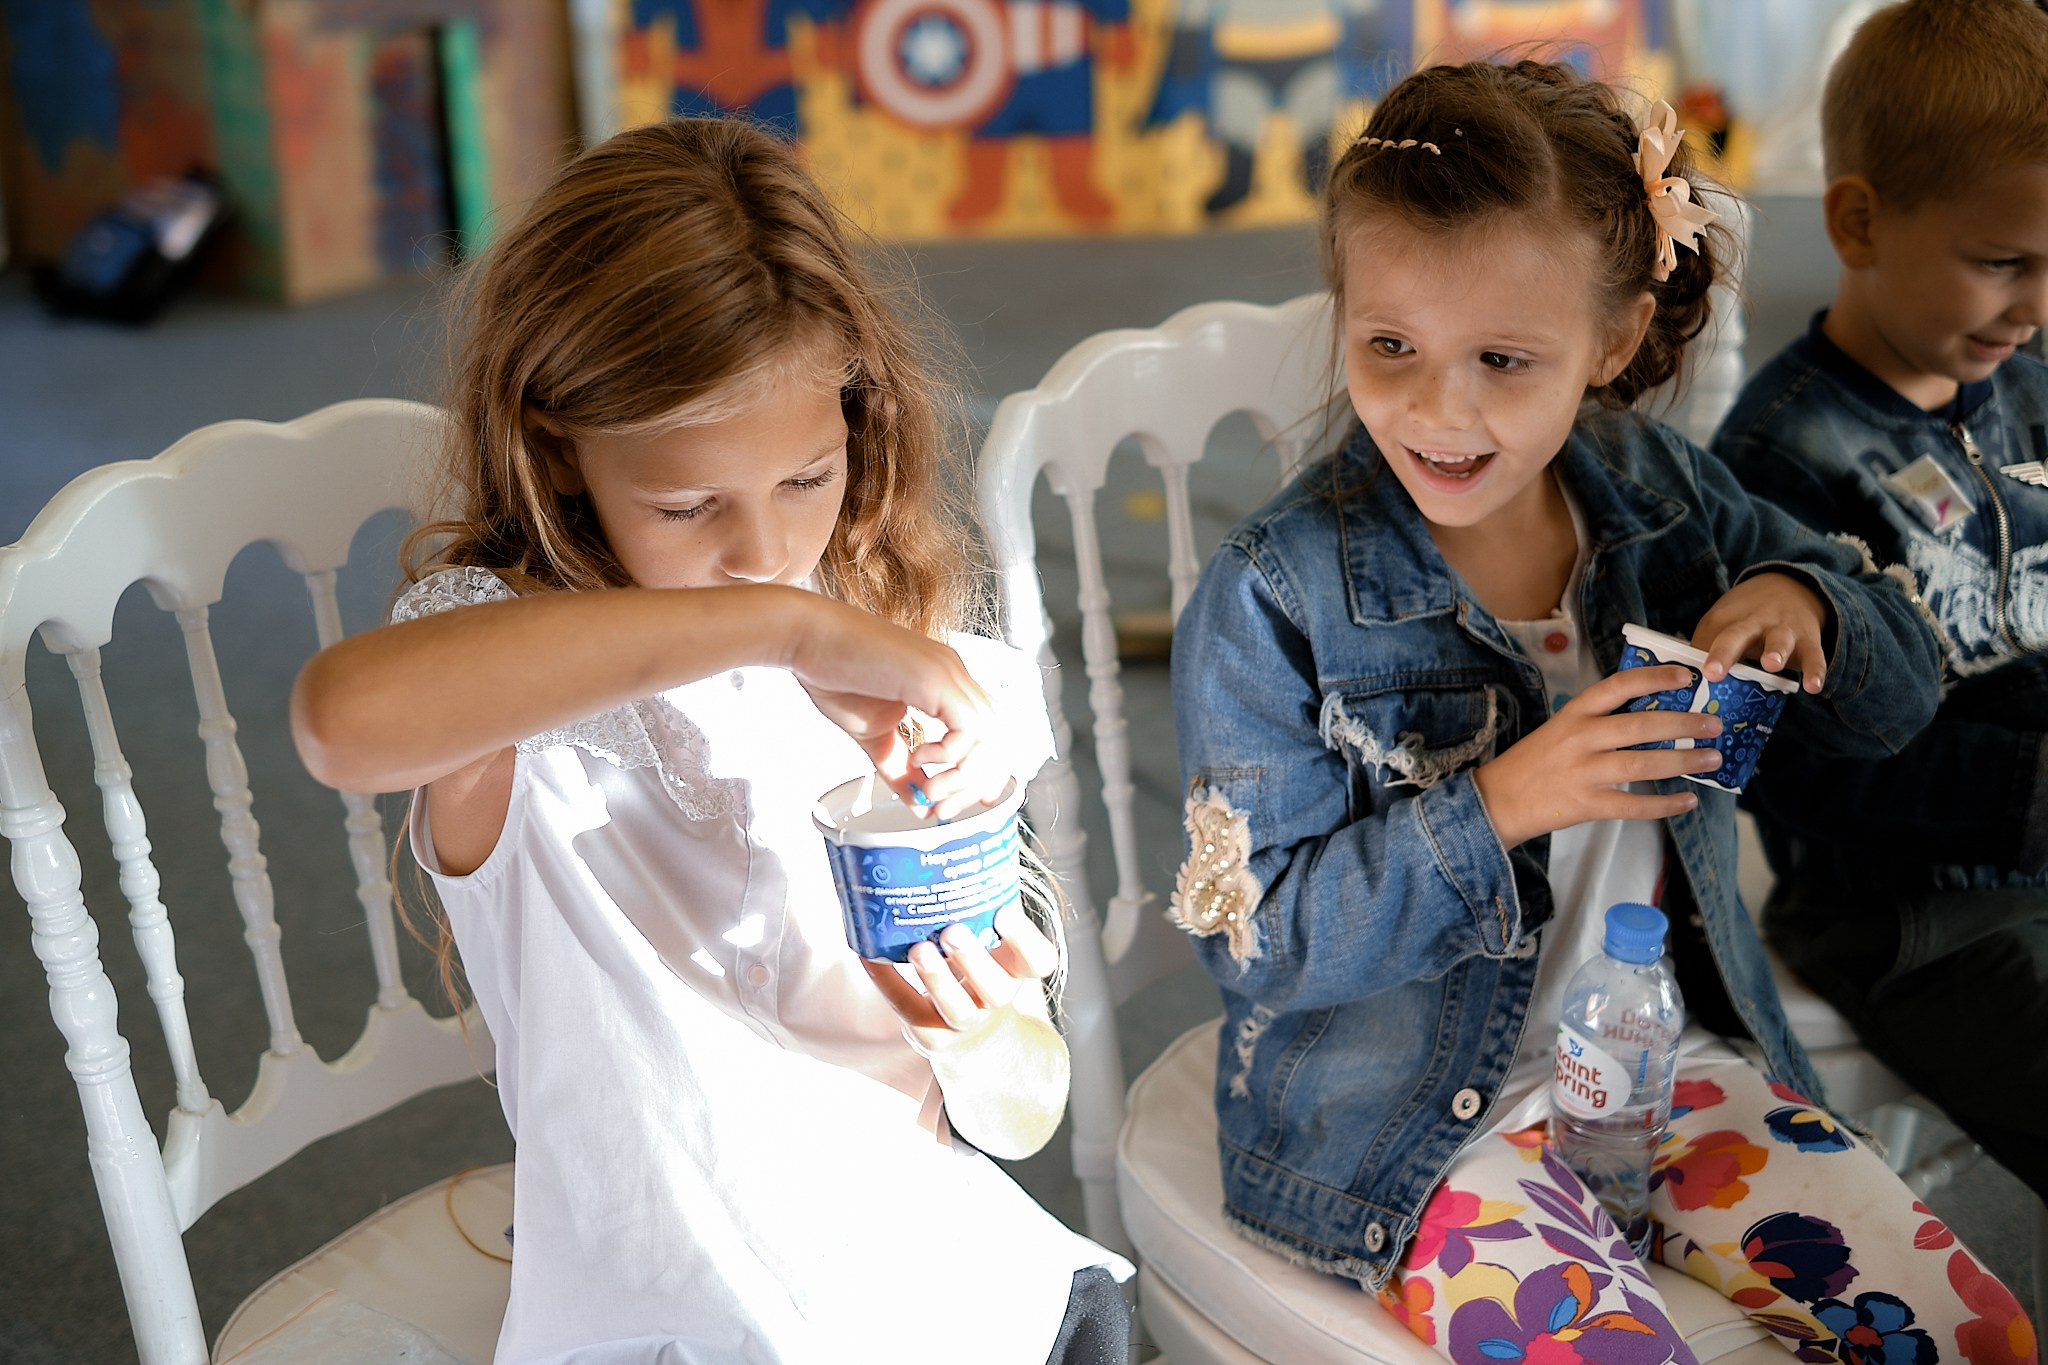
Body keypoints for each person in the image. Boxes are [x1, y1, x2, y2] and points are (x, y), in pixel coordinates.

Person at [1168, 58, 2036, 1365]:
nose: (1437, 407)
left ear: (1615, 341)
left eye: (1503, 360)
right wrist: (1506, 800)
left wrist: (1812, 599)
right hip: (1419, 1134)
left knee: (1977, 1334)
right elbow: (1254, 944)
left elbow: (1893, 695)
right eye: (1388, 344)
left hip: (1672, 1060)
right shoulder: (1276, 596)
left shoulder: (1665, 493)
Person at [289, 117, 1130, 1365]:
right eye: (687, 506)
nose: (764, 548)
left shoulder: (917, 671)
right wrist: (789, 632)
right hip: (673, 1332)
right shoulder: (511, 684)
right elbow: (340, 724)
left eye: (809, 477)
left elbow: (1018, 1113)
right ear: (563, 459)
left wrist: (972, 1031)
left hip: (959, 1298)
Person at [1711, 0, 2048, 1201]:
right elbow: (1795, 768)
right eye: (2000, 262)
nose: (2032, 306)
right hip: (1907, 925)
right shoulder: (1777, 462)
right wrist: (2027, 800)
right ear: (1856, 220)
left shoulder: (2025, 390)